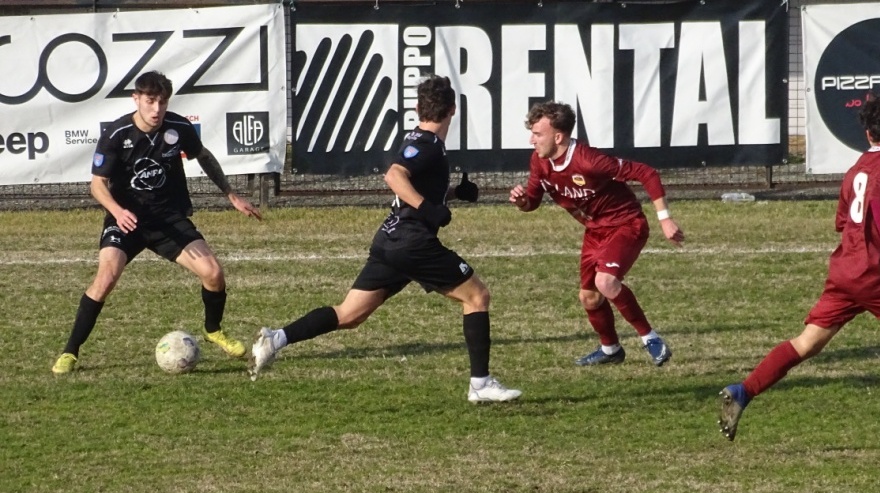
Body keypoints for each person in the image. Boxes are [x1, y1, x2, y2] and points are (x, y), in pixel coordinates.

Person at [248, 75, 521, 404]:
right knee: (477, 296)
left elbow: (413, 184)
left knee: (350, 314)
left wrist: (453, 194)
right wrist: (428, 209)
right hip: (413, 244)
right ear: (453, 109)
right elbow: (394, 175)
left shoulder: (418, 139)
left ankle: (275, 339)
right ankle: (480, 383)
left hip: (391, 241)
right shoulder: (427, 145)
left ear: (417, 108)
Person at [717, 94, 880, 444]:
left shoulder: (856, 168)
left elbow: (844, 220)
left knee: (808, 342)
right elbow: (879, 202)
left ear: (868, 134)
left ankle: (744, 391)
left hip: (844, 269)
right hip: (872, 272)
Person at [50, 71, 262, 374]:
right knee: (106, 279)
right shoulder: (116, 133)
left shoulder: (178, 127)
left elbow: (203, 156)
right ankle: (70, 351)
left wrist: (231, 194)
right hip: (126, 221)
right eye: (150, 101)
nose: (156, 109)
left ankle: (213, 330)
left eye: (162, 102)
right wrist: (117, 211)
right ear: (136, 99)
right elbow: (97, 185)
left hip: (167, 220)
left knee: (213, 274)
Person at [509, 101, 685, 367]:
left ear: (558, 137)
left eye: (537, 134)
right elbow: (531, 202)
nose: (531, 140)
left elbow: (646, 173)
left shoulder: (589, 160)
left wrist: (665, 219)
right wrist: (521, 201)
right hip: (595, 231)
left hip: (626, 224)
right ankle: (611, 349)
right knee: (589, 298)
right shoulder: (540, 161)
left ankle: (650, 338)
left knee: (606, 282)